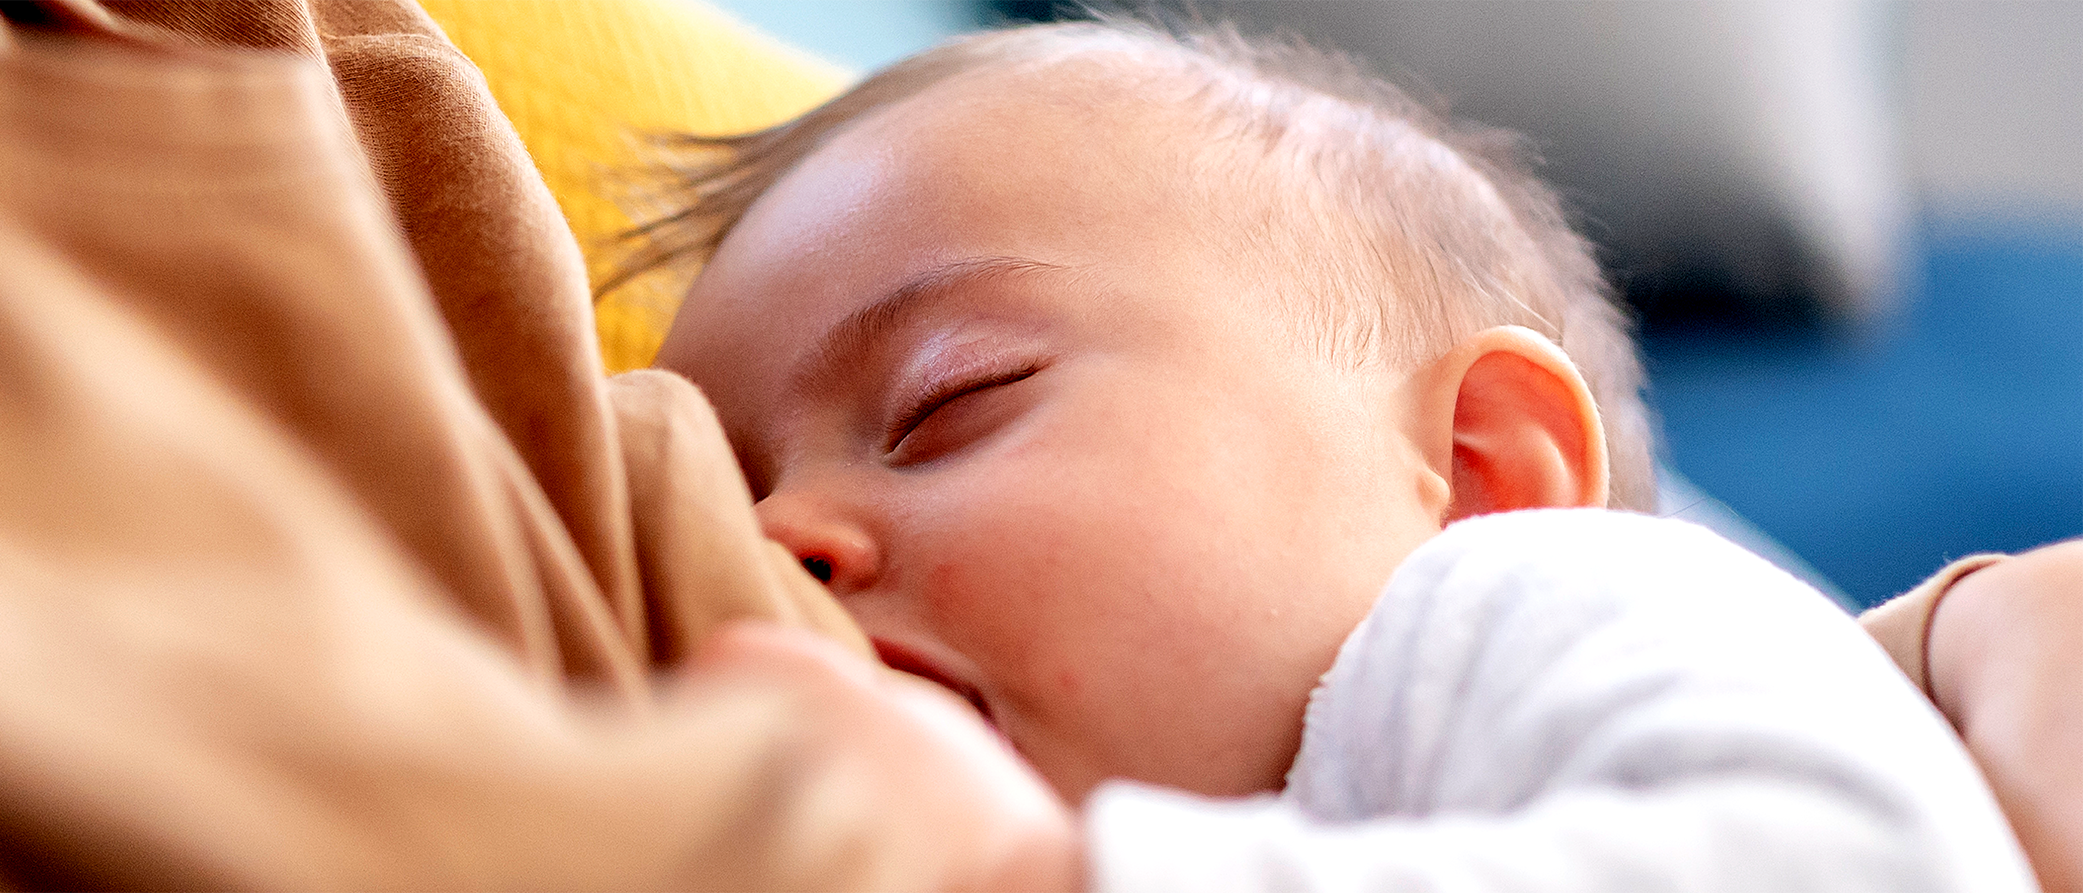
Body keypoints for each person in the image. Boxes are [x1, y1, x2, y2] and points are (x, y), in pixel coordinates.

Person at [643, 19, 2041, 892]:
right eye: (727, 492)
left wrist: (1039, 868)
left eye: (949, 400)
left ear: (1484, 474)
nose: (776, 539)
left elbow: (1867, 867)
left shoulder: (1510, 609)